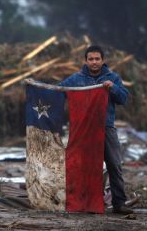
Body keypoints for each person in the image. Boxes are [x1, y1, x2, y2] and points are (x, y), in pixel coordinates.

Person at [59, 45, 133, 215]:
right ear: (85, 61)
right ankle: (86, 202)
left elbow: (123, 98)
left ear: (103, 60)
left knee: (114, 165)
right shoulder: (76, 79)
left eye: (97, 59)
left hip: (106, 128)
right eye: (90, 59)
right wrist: (37, 88)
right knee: (85, 167)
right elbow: (58, 91)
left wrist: (112, 88)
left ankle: (119, 203)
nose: (94, 62)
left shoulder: (112, 77)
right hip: (84, 130)